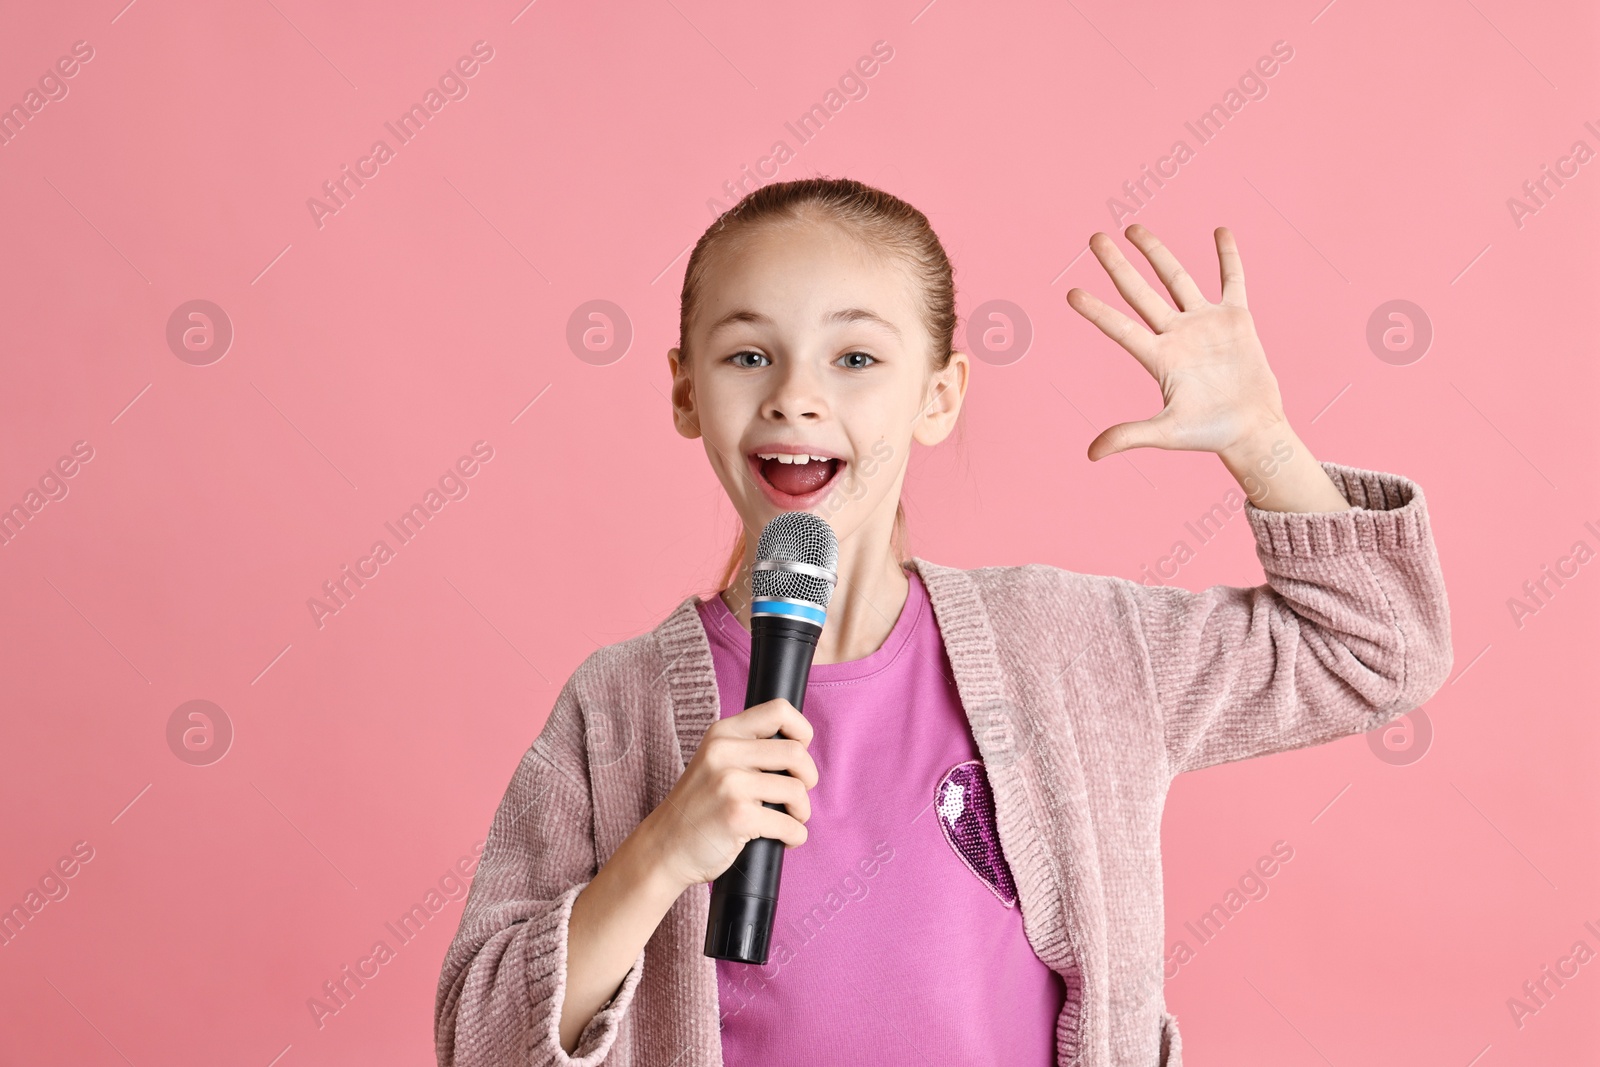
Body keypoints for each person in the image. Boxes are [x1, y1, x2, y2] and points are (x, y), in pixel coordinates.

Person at [434, 177, 1452, 1067]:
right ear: (685, 390)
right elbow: (479, 1041)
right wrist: (659, 853)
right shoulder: (617, 707)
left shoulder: (1069, 647)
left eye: (856, 359)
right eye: (749, 355)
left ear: (939, 394)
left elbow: (1375, 651)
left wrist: (1262, 445)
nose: (795, 395)